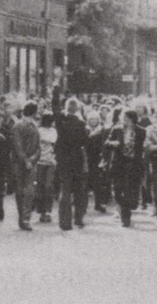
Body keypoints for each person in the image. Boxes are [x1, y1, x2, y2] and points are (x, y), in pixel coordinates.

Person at [51, 84, 89, 231]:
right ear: (77, 109)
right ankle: (78, 218)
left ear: (66, 107)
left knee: (65, 190)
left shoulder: (60, 120)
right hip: (77, 159)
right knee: (79, 190)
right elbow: (85, 142)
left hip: (62, 159)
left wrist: (56, 91)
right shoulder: (80, 124)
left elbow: (54, 107)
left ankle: (65, 223)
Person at [106, 110, 146, 228]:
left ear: (131, 119)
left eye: (125, 118)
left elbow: (144, 146)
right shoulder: (117, 129)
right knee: (117, 190)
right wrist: (115, 143)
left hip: (134, 164)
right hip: (119, 163)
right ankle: (126, 207)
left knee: (129, 190)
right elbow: (107, 143)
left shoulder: (141, 131)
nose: (123, 120)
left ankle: (126, 218)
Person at [11, 102, 41, 231]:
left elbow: (37, 146)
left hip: (27, 161)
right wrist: (27, 160)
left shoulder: (31, 125)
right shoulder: (20, 126)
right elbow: (17, 146)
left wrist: (33, 159)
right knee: (21, 191)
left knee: (28, 191)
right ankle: (23, 217)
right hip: (20, 162)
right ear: (34, 113)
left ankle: (25, 218)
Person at [85, 110, 109, 213]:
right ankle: (83, 205)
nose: (93, 121)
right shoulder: (85, 130)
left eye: (94, 119)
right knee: (85, 183)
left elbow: (103, 145)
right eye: (91, 119)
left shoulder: (102, 131)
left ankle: (98, 204)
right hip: (86, 158)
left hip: (97, 159)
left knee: (97, 183)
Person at [36, 113, 57, 223]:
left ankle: (48, 211)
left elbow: (55, 143)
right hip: (40, 162)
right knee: (40, 186)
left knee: (49, 186)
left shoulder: (54, 131)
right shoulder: (38, 131)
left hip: (51, 162)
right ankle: (42, 211)